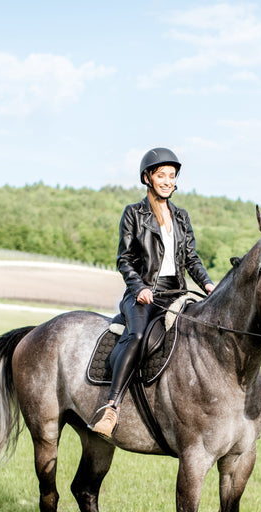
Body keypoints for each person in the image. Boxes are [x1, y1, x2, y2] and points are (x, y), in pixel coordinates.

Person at [90, 147, 216, 438]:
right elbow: (124, 259)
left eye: (172, 176)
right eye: (162, 175)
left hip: (177, 294)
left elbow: (191, 258)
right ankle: (112, 408)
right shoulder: (134, 214)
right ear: (148, 177)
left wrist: (208, 284)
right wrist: (140, 287)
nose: (168, 181)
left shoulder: (182, 217)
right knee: (135, 335)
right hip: (144, 295)